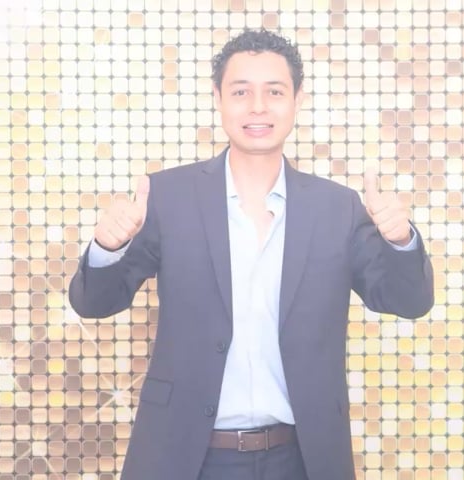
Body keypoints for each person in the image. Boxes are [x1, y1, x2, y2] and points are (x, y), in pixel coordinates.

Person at [68, 29, 434, 480]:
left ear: (297, 100)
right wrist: (108, 248)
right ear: (218, 99)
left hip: (302, 459)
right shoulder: (168, 197)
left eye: (274, 92)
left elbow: (408, 301)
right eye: (241, 92)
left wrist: (400, 241)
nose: (258, 106)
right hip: (185, 457)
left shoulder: (337, 207)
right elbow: (93, 303)